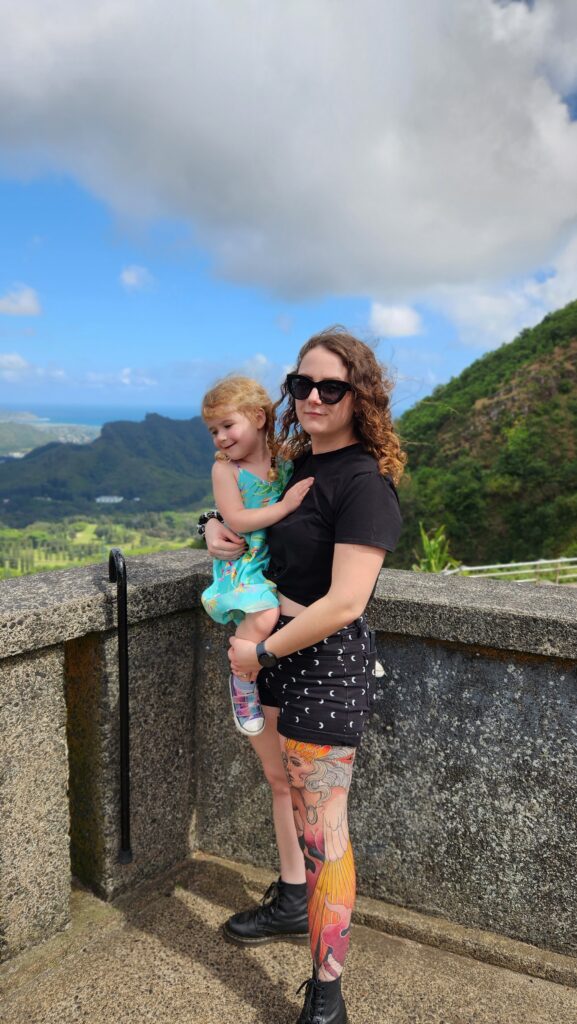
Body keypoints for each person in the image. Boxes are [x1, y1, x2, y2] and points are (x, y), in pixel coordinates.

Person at [204, 327, 405, 1024]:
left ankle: (326, 994)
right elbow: (257, 525)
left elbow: (346, 602)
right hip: (279, 661)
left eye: (332, 387)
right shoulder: (297, 469)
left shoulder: (363, 483)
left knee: (324, 830)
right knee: (279, 785)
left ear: (360, 398)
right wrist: (212, 523)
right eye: (302, 385)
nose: (314, 397)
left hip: (321, 666)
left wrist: (259, 653)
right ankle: (293, 900)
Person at [200, 375, 314, 735]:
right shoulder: (225, 469)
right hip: (246, 562)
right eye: (213, 431)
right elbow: (237, 518)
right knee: (266, 614)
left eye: (228, 425)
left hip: (273, 562)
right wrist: (287, 505)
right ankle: (242, 678)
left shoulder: (284, 461)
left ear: (259, 417)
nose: (220, 437)